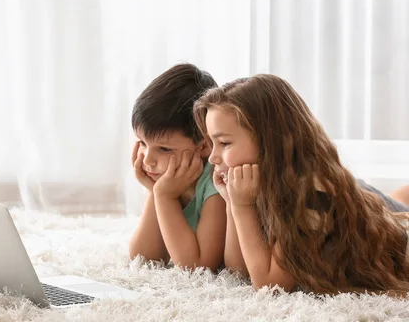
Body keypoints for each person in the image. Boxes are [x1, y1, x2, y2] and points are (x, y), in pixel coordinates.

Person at [193, 73, 409, 295]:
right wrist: (231, 203)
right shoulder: (256, 184)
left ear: (269, 140)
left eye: (224, 143)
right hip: (365, 194)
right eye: (212, 143)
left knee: (398, 208)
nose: (212, 158)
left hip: (378, 214)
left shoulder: (313, 196)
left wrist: (242, 207)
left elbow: (271, 286)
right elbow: (237, 270)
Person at [128, 63, 226, 271]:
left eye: (163, 148)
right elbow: (143, 258)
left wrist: (164, 196)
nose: (147, 160)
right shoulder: (170, 180)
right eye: (143, 144)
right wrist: (156, 193)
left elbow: (198, 267)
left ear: (204, 146)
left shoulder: (217, 182)